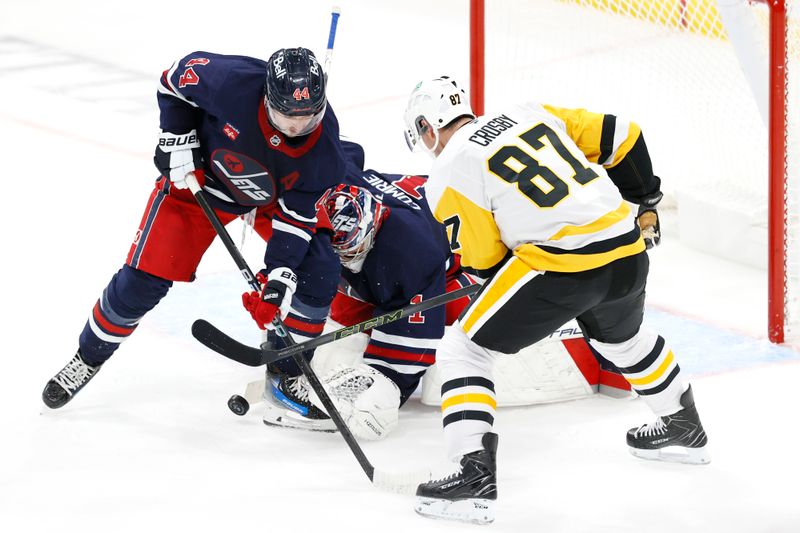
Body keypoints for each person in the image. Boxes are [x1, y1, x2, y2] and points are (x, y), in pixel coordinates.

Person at [402, 76, 710, 524]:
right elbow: (624, 136)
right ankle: (683, 426)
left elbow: (486, 260)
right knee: (620, 341)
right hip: (626, 246)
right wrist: (643, 201)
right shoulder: (529, 111)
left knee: (463, 349)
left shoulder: (448, 170)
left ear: (428, 128)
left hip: (561, 266)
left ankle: (471, 476)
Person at [42, 48, 345, 430]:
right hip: (200, 182)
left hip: (269, 197)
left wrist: (279, 277)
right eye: (288, 115)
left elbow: (296, 220)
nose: (298, 128)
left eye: (309, 116)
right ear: (267, 97)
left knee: (317, 269)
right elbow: (171, 82)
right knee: (143, 283)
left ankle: (285, 376)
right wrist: (177, 133)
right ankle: (88, 356)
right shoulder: (230, 82)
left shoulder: (326, 151)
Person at [303, 141, 477, 440]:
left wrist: (383, 387)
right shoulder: (338, 181)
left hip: (470, 258)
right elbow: (344, 150)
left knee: (450, 313)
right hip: (419, 216)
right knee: (340, 320)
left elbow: (416, 336)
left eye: (352, 248)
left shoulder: (412, 253)